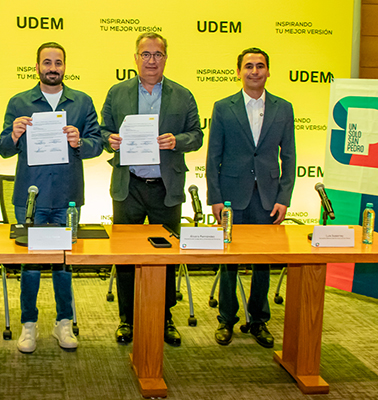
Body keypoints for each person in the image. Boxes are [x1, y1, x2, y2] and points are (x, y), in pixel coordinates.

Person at [0, 42, 102, 353]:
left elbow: (97, 145)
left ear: (65, 67)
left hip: (68, 196)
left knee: (64, 263)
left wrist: (79, 141)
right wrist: (14, 134)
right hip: (30, 197)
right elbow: (3, 148)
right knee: (30, 265)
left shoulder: (82, 102)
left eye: (58, 62)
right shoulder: (19, 102)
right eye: (47, 62)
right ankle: (28, 323)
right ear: (37, 67)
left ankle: (63, 322)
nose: (53, 68)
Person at [101, 32, 203, 346]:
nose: (151, 60)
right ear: (135, 58)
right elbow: (102, 130)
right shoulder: (117, 92)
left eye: (158, 54)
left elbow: (196, 135)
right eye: (145, 54)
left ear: (165, 58)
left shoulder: (182, 95)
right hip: (128, 185)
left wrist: (178, 140)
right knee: (125, 256)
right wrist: (109, 139)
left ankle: (165, 317)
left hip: (165, 187)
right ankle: (127, 318)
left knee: (167, 256)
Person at [206, 47, 296, 348]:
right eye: (248, 66)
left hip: (268, 197)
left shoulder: (284, 108)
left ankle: (258, 319)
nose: (254, 71)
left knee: (263, 262)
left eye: (260, 66)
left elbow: (290, 156)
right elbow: (213, 156)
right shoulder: (223, 107)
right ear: (239, 72)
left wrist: (284, 197)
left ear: (268, 71)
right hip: (232, 197)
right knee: (228, 260)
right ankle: (226, 319)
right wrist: (215, 198)